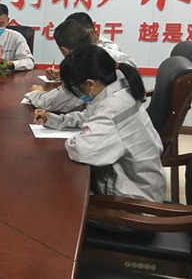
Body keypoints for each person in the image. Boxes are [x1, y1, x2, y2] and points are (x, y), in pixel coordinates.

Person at [33, 45, 165, 206]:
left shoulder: (113, 108)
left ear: (90, 84)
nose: (77, 93)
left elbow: (80, 150)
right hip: (140, 185)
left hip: (132, 204)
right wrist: (56, 120)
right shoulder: (119, 89)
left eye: (75, 88)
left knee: (53, 198)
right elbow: (91, 116)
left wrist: (74, 138)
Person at [24, 20, 138, 112]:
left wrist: (36, 93)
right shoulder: (110, 54)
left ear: (64, 51)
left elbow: (52, 103)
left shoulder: (83, 65)